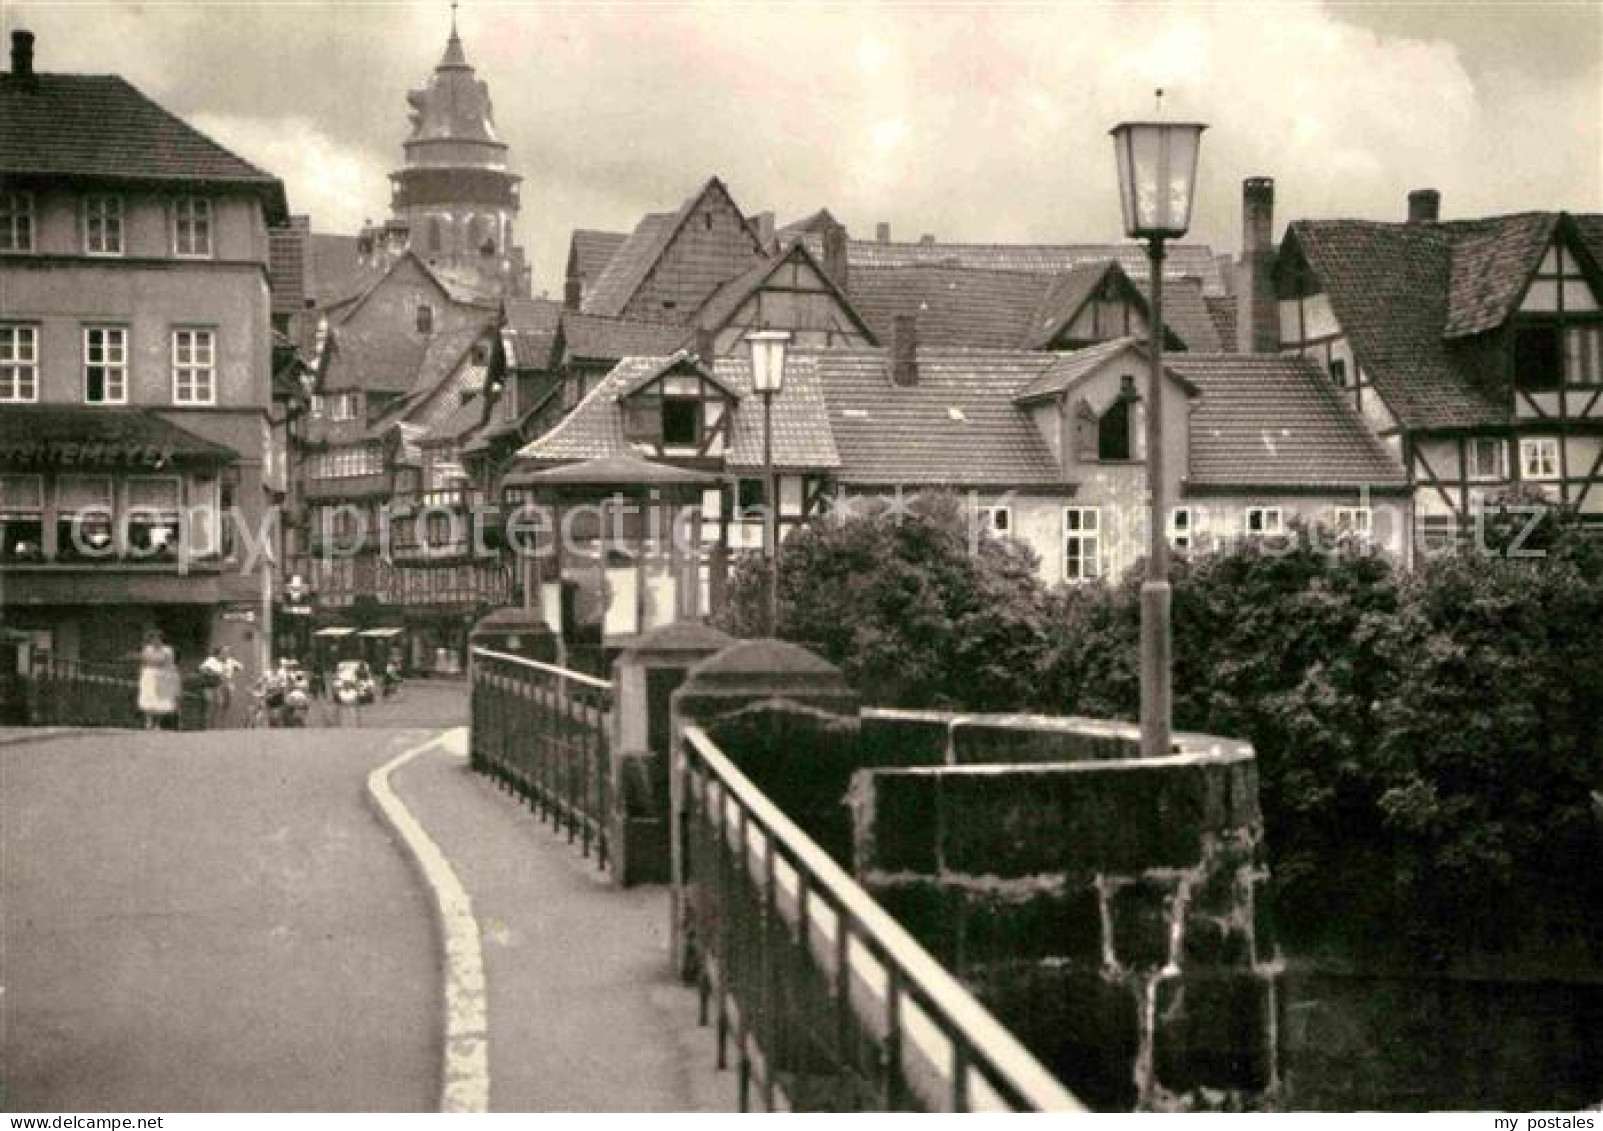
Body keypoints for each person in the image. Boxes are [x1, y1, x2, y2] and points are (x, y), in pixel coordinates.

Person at [137, 629, 179, 730]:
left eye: (158, 639)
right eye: (153, 639)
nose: (155, 641)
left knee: (161, 699)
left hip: (163, 677)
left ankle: (158, 723)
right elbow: (144, 662)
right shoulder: (147, 649)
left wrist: (151, 660)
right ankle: (149, 721)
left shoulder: (167, 650)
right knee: (149, 698)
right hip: (150, 676)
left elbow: (162, 661)